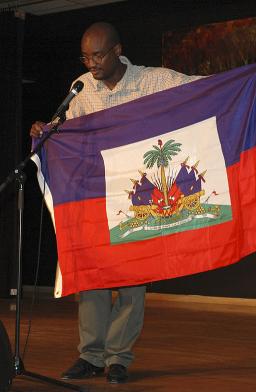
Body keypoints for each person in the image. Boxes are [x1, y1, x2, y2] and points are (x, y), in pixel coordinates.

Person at [30, 21, 202, 384]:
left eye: (97, 55)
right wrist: (46, 130)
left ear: (117, 51)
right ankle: (90, 356)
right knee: (91, 278)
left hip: (138, 197)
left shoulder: (154, 81)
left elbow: (200, 90)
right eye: (85, 56)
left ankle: (118, 359)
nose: (90, 63)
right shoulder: (82, 88)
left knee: (131, 278)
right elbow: (67, 131)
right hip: (96, 195)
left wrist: (242, 81)